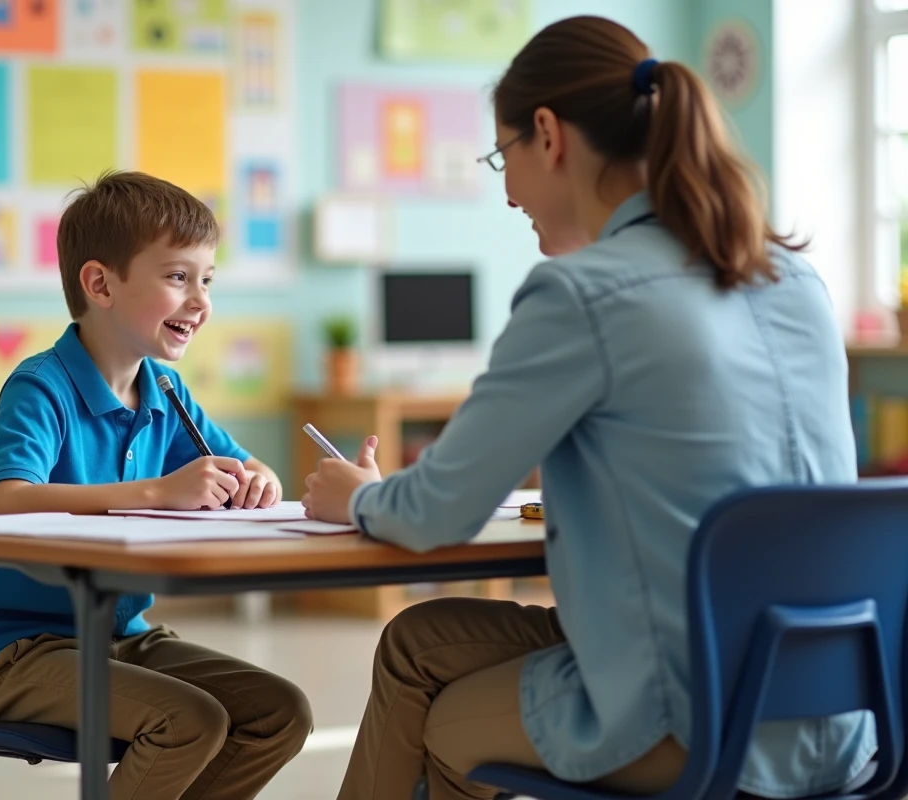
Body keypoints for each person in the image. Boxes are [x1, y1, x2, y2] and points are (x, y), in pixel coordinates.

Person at [302, 15, 873, 800]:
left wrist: (358, 496)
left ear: (549, 135)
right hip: (841, 710)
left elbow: (437, 510)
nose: (505, 191)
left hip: (697, 716)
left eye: (504, 157)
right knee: (418, 642)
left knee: (442, 725)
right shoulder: (794, 279)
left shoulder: (582, 293)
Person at [0, 171, 312, 800]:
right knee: (187, 721)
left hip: (120, 637)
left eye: (207, 279)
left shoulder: (165, 391)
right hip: (15, 654)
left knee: (281, 712)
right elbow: (8, 500)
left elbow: (253, 468)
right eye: (177, 277)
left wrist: (258, 483)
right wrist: (159, 492)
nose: (201, 301)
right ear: (100, 283)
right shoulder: (41, 385)